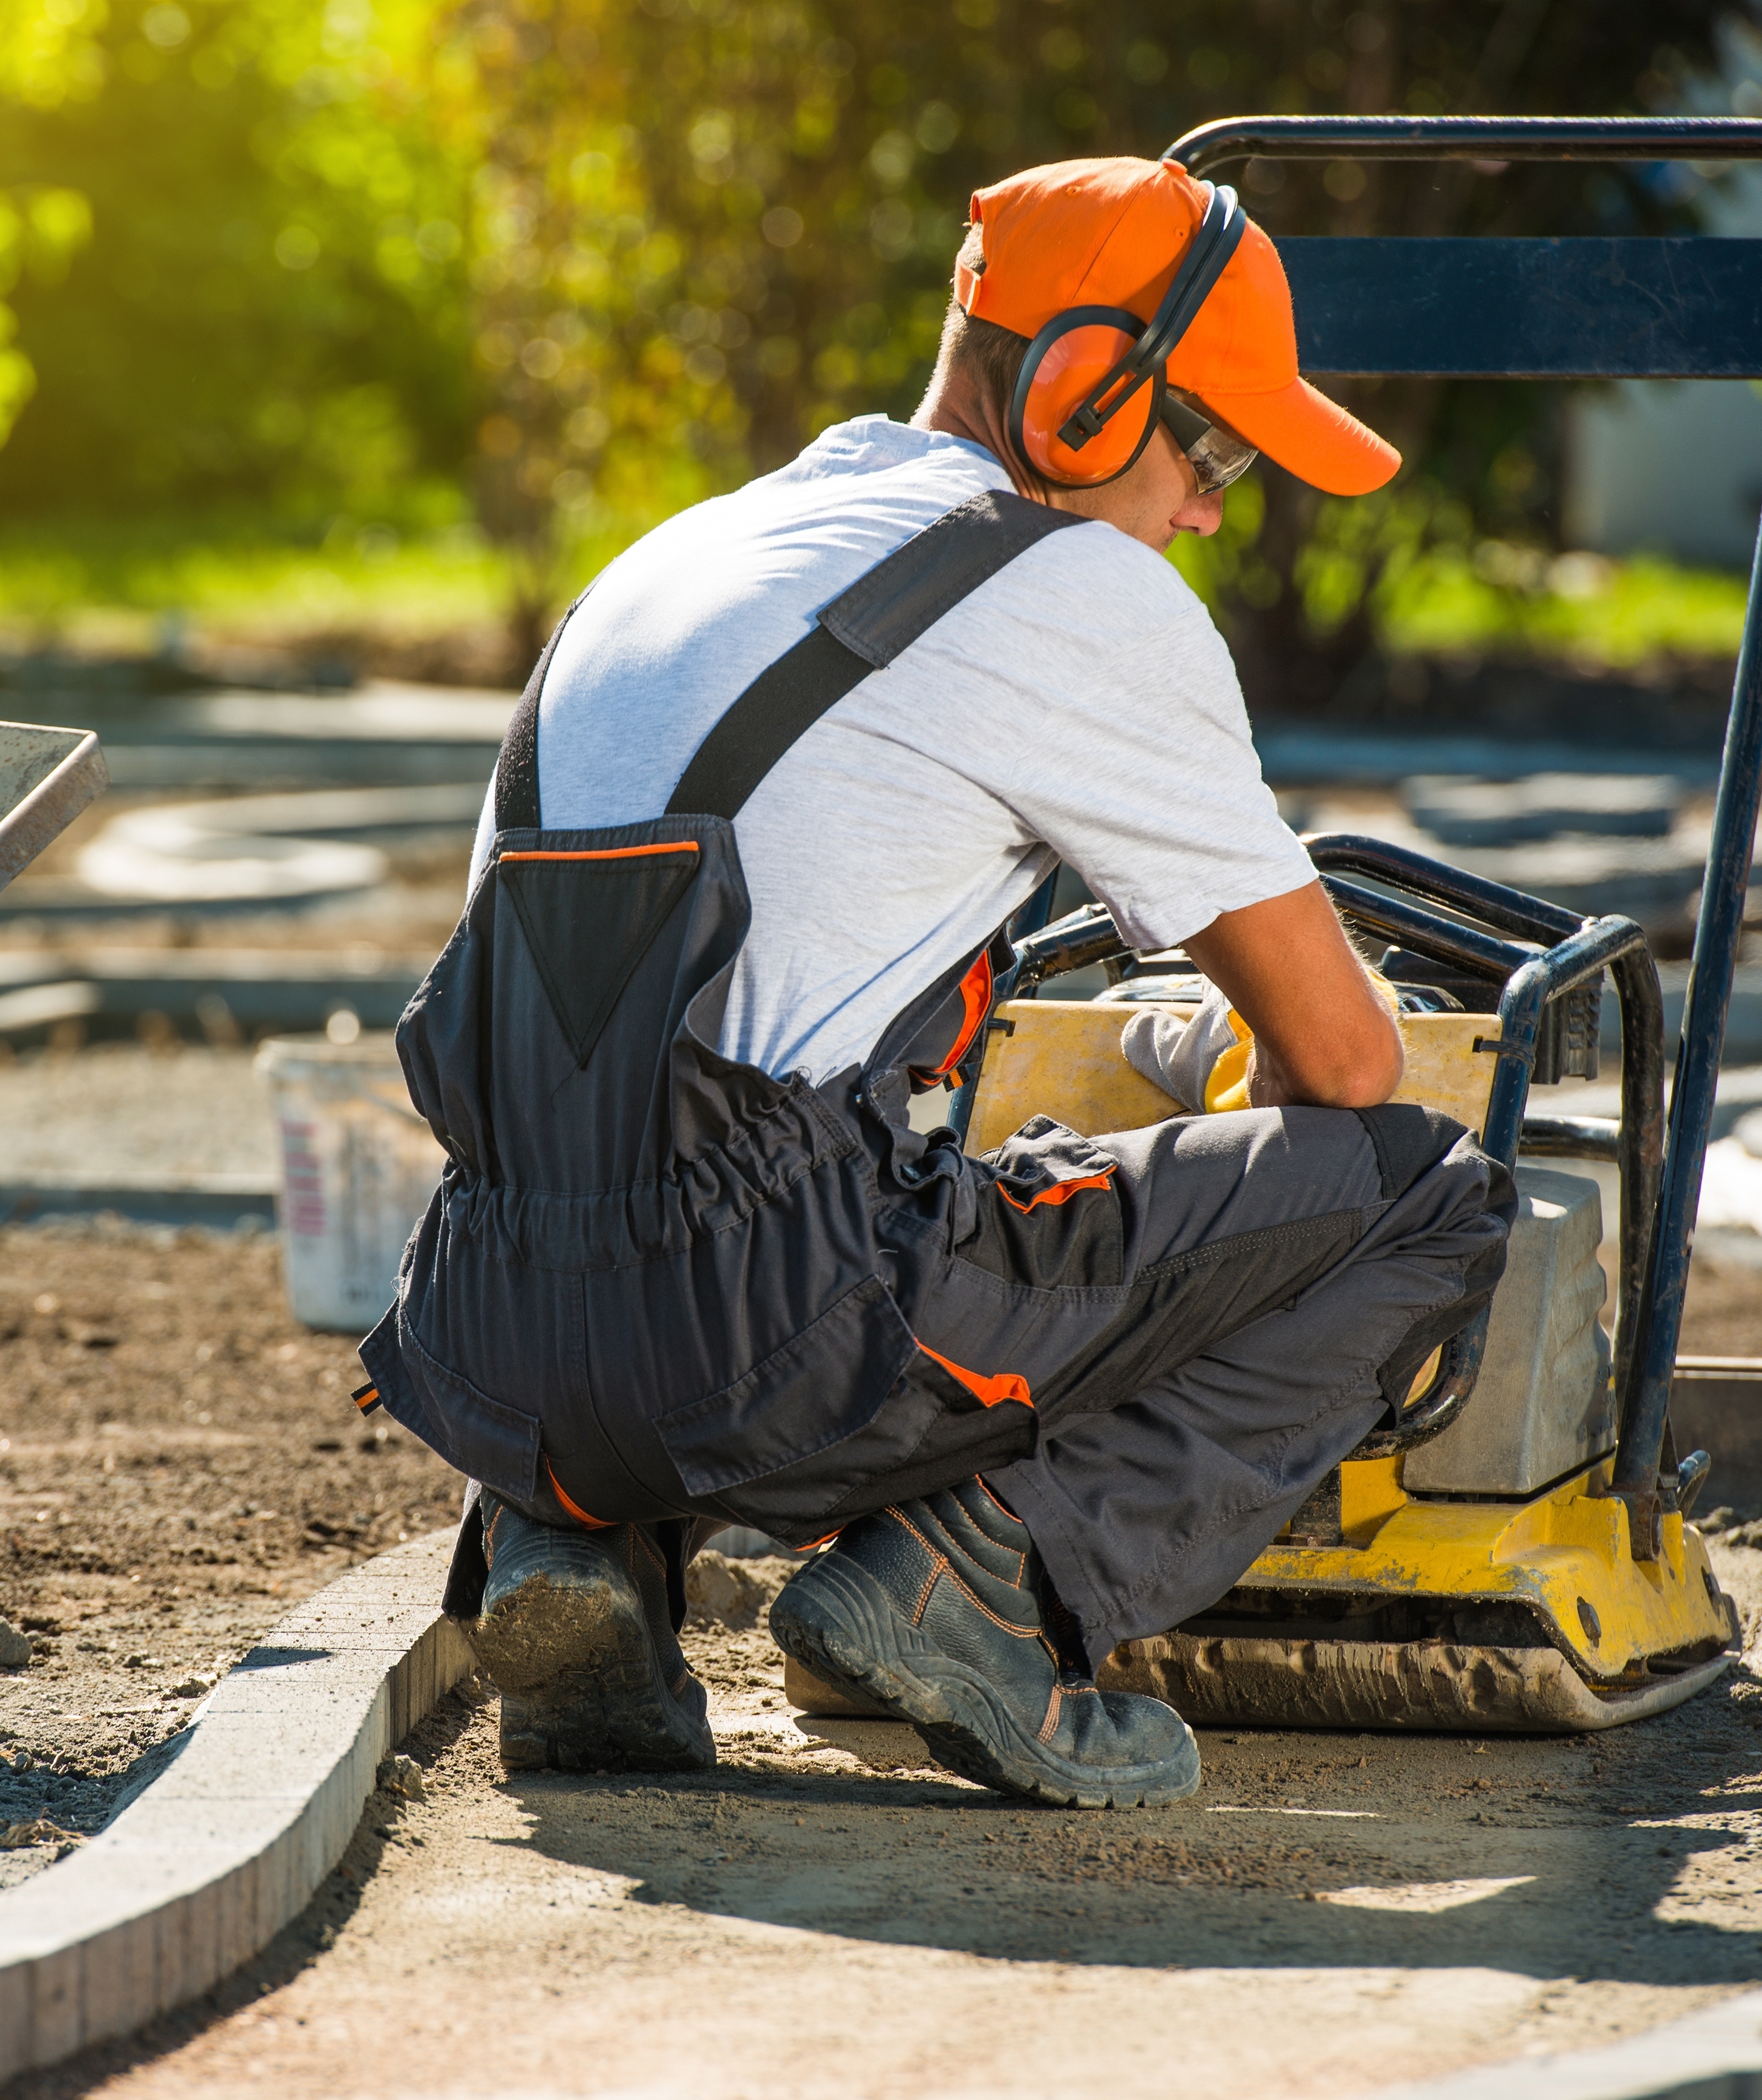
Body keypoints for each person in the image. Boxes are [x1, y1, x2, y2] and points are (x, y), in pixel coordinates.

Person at [356, 155, 1512, 1808]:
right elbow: (1340, 1062)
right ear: (1088, 389)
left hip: (486, 1326)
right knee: (1425, 1196)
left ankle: (575, 1551)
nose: (1212, 505)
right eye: (1217, 450)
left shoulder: (673, 560)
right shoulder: (1076, 589)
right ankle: (980, 1581)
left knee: (692, 1139)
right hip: (775, 1333)